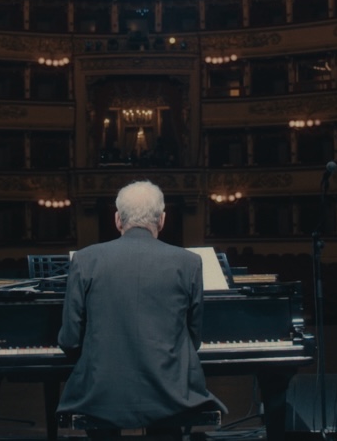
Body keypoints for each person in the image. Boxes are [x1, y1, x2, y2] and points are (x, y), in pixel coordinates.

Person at [57, 180, 226, 430]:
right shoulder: (188, 263)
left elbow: (70, 341)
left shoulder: (85, 260)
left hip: (99, 395)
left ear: (117, 219)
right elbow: (194, 338)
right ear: (162, 220)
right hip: (171, 395)